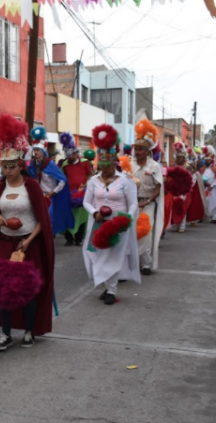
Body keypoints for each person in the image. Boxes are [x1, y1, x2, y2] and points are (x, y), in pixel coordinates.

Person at [0, 115, 54, 350]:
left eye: (11, 165)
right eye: (4, 165)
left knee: (27, 289)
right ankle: (5, 333)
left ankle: (29, 330)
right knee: (3, 289)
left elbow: (42, 221)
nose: (7, 170)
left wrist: (28, 242)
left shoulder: (32, 187)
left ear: (20, 165)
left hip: (29, 246)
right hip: (4, 244)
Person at [82, 124, 141, 305]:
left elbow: (133, 203)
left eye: (108, 166)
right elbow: (86, 202)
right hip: (98, 222)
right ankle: (107, 285)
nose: (105, 169)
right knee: (96, 254)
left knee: (114, 256)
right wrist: (94, 213)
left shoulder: (125, 181)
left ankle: (112, 290)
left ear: (114, 163)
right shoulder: (93, 180)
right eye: (102, 166)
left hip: (118, 224)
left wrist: (127, 218)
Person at [131, 120, 164, 276]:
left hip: (148, 202)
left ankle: (146, 264)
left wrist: (148, 201)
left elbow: (158, 187)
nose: (136, 152)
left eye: (140, 149)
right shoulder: (129, 165)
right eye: (135, 149)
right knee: (131, 232)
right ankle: (131, 263)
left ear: (147, 151)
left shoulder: (154, 166)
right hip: (131, 203)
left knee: (146, 232)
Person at [28, 130, 74, 238]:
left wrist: (54, 191)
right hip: (38, 195)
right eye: (34, 150)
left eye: (38, 150)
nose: (36, 152)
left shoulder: (50, 164)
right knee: (37, 218)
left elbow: (63, 180)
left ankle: (48, 239)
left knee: (48, 219)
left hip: (49, 196)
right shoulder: (33, 165)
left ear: (43, 151)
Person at [61, 147, 95, 246]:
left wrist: (86, 185)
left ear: (76, 154)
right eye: (67, 156)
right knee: (68, 216)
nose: (68, 158)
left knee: (81, 216)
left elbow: (90, 175)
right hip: (69, 194)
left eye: (70, 156)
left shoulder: (85, 162)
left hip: (82, 194)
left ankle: (78, 239)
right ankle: (69, 239)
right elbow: (62, 178)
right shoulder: (65, 164)